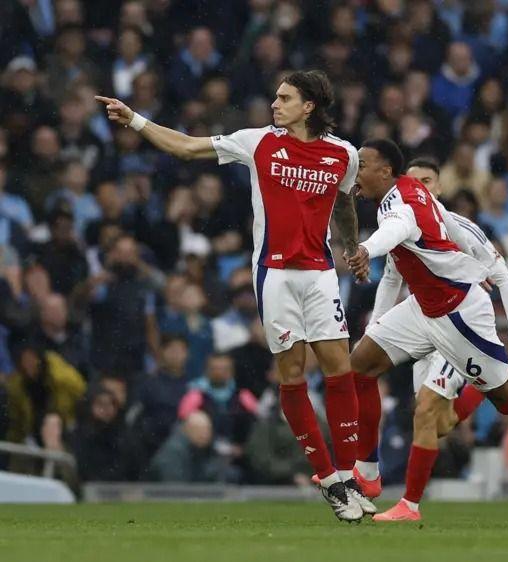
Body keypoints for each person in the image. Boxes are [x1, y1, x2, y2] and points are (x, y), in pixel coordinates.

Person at [96, 70, 371, 521]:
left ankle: (347, 475)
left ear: (310, 107)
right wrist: (135, 121)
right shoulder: (258, 141)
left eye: (284, 98)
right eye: (275, 97)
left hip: (321, 272)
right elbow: (186, 146)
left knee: (340, 367)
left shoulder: (344, 154)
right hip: (275, 273)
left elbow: (342, 202)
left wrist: (353, 245)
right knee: (293, 373)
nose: (274, 104)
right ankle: (329, 478)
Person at [344, 139, 508, 521]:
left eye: (363, 164)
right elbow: (415, 250)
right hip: (422, 307)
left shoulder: (401, 206)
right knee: (361, 365)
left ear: (385, 170)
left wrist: (368, 248)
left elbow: (397, 230)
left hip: (458, 314)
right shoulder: (413, 193)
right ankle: (369, 474)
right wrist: (380, 322)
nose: (356, 171)